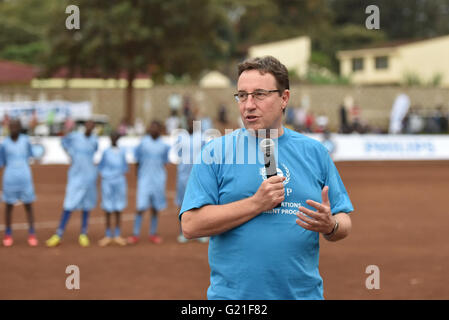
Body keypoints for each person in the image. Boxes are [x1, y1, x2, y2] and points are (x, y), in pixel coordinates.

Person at [179, 56, 354, 300]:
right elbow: (190, 225)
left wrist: (331, 226)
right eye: (242, 95)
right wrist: (256, 203)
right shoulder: (215, 153)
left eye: (259, 94)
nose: (248, 104)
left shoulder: (314, 153)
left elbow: (343, 218)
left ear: (284, 99)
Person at [46, 120, 98, 247]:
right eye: (88, 125)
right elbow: (63, 141)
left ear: (94, 128)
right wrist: (70, 153)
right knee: (69, 204)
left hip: (89, 177)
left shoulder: (94, 141)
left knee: (86, 206)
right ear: (85, 126)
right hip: (75, 177)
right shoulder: (75, 136)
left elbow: (94, 153)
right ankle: (58, 234)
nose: (89, 127)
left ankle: (83, 234)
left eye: (92, 126)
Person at [127, 120, 170, 245]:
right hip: (144, 179)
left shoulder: (164, 146)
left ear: (159, 130)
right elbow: (137, 160)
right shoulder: (143, 143)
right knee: (140, 207)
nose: (153, 130)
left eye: (156, 128)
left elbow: (164, 162)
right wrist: (139, 176)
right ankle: (135, 234)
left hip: (158, 180)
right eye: (151, 127)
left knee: (155, 208)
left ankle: (153, 233)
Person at [0, 119, 38, 247]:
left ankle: (32, 233)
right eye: (11, 126)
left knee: (28, 206)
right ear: (8, 127)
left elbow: (31, 156)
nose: (13, 129)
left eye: (16, 126)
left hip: (25, 178)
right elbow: (2, 162)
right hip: (10, 179)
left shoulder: (26, 141)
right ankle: (8, 234)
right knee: (8, 206)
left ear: (20, 127)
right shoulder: (4, 144)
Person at [173, 118, 207, 244]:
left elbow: (205, 153)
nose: (190, 125)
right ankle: (182, 231)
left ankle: (200, 232)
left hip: (198, 175)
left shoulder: (201, 137)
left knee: (200, 203)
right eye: (188, 122)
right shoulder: (181, 138)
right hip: (182, 176)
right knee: (181, 203)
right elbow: (178, 154)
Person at [97, 131, 128, 247]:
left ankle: (118, 234)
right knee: (107, 207)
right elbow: (101, 166)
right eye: (112, 137)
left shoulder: (122, 152)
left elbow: (124, 167)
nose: (114, 139)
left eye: (116, 137)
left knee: (119, 207)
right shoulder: (106, 152)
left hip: (119, 181)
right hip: (107, 182)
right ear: (110, 138)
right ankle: (108, 234)